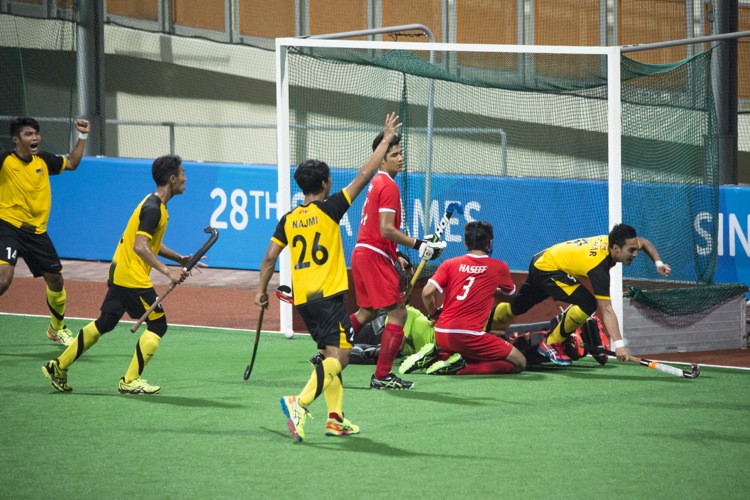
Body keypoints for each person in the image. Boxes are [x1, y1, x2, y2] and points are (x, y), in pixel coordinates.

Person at [255, 113, 401, 442]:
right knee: (343, 357)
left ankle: (335, 418)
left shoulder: (288, 219)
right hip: (330, 298)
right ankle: (300, 402)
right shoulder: (330, 208)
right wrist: (387, 140)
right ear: (324, 184)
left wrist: (261, 292)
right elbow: (365, 175)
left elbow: (268, 258)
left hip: (304, 301)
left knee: (329, 357)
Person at [41, 154, 197, 394]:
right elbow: (139, 246)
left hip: (121, 272)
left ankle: (58, 366)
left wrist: (178, 258)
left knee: (105, 322)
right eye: (183, 173)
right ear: (173, 178)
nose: (186, 178)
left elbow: (150, 243)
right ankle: (130, 380)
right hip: (132, 278)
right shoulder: (153, 208)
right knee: (158, 325)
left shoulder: (156, 205)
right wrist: (168, 273)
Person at [488, 223, 671, 365]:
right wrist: (620, 345)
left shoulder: (617, 242)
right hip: (548, 269)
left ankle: (481, 325)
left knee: (518, 306)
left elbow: (644, 242)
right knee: (588, 303)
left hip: (542, 260)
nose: (635, 253)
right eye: (631, 250)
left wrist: (658, 263)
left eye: (634, 249)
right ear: (615, 249)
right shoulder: (598, 266)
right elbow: (606, 310)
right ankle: (551, 344)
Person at [349, 131, 445, 390]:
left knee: (367, 311)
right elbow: (386, 229)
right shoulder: (388, 185)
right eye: (394, 155)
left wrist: (398, 255)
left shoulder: (377, 183)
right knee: (399, 313)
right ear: (381, 160)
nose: (400, 158)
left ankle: (328, 352)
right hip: (373, 256)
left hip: (364, 252)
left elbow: (379, 232)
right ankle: (381, 376)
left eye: (401, 153)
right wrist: (418, 244)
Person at [1, 117, 91, 346]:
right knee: (3, 279)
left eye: (36, 134)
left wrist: (82, 136)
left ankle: (56, 328)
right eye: (28, 134)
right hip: (7, 225)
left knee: (56, 281)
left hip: (37, 233)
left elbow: (72, 162)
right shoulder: (4, 161)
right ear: (16, 139)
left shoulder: (43, 160)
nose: (35, 138)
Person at [400, 221, 526, 375]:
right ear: (490, 243)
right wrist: (496, 292)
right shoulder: (499, 267)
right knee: (519, 363)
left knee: (466, 353)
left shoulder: (449, 263)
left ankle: (436, 357)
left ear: (465, 243)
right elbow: (513, 297)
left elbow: (426, 293)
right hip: (468, 336)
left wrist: (434, 314)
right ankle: (459, 369)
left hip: (441, 334)